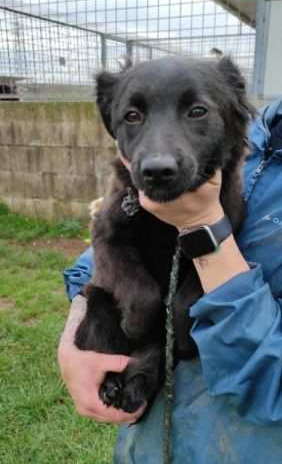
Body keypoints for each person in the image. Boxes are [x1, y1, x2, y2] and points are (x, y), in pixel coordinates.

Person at [58, 97, 282, 463]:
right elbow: (103, 252)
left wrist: (202, 228)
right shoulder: (244, 127)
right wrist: (75, 336)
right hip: (146, 447)